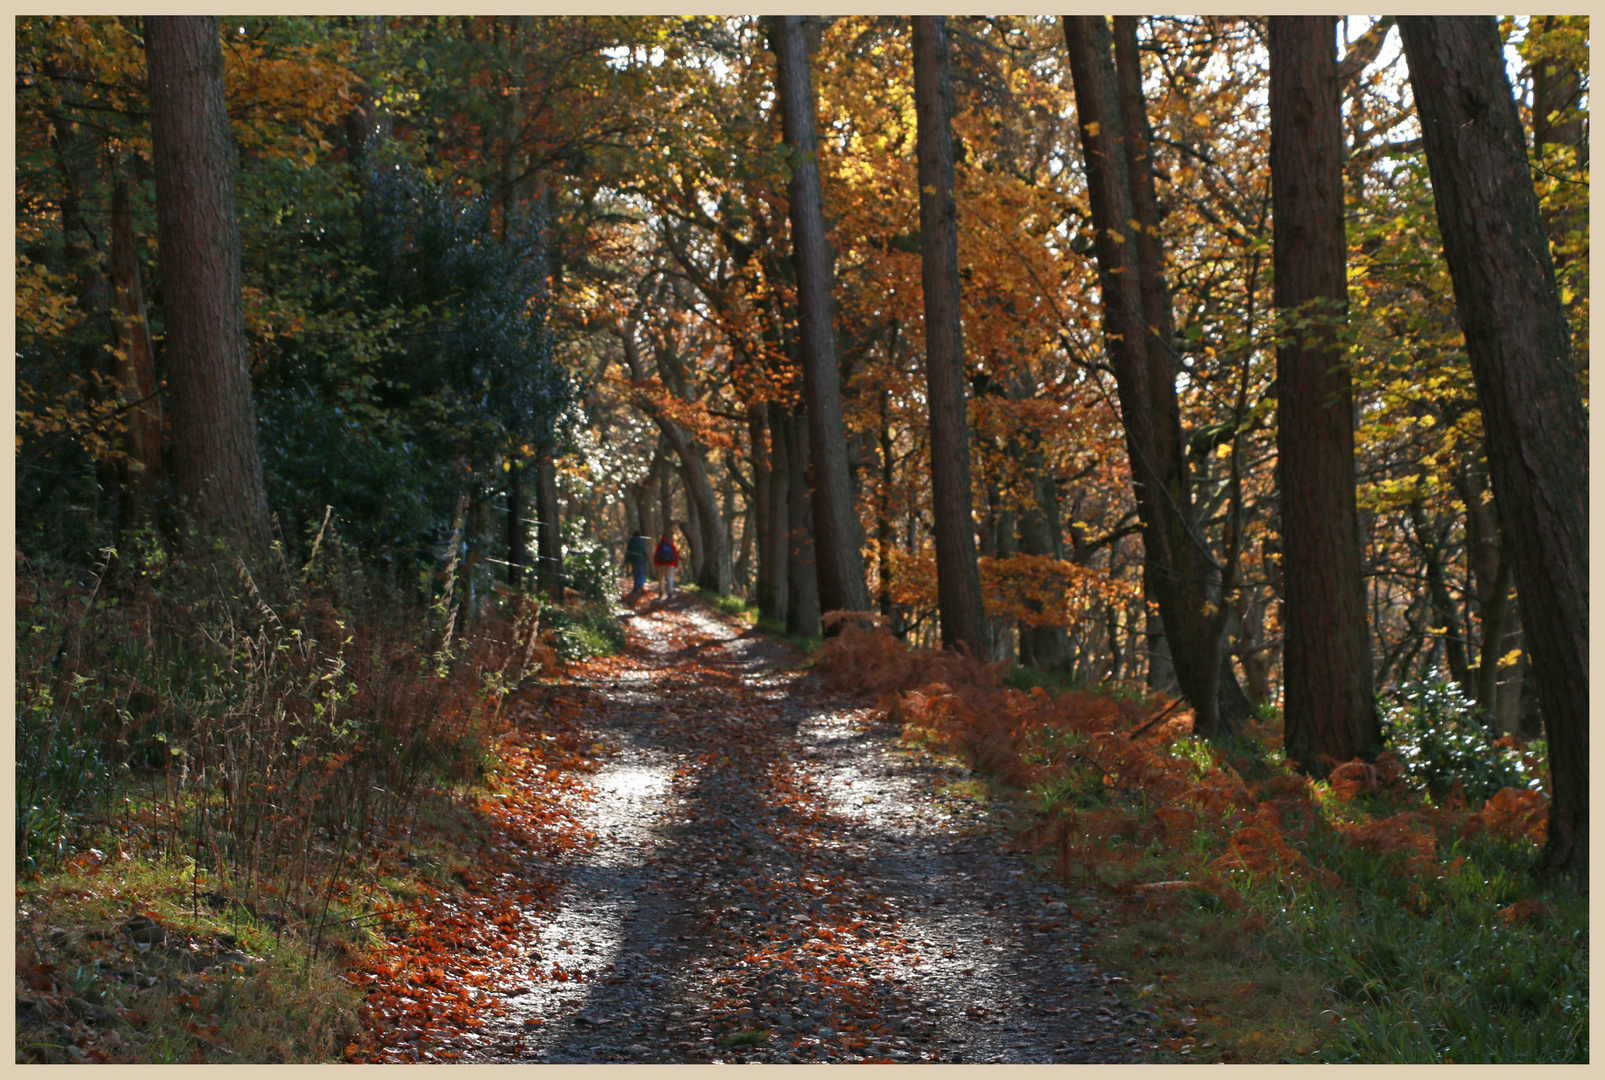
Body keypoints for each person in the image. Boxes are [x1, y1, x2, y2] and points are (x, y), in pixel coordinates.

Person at [653, 531, 680, 598]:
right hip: (671, 564)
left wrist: (656, 563)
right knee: (669, 578)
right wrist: (675, 564)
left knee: (661, 578)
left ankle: (661, 592)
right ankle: (670, 592)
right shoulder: (671, 544)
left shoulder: (659, 544)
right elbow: (675, 555)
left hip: (661, 564)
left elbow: (656, 554)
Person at [623, 530, 649, 598]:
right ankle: (641, 585)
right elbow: (644, 551)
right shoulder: (642, 542)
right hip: (641, 560)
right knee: (641, 573)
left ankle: (637, 587)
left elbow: (628, 552)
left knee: (636, 573)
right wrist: (646, 558)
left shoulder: (631, 542)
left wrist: (626, 561)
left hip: (634, 560)